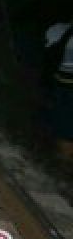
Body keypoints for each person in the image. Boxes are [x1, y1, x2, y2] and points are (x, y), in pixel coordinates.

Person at [44, 19, 73, 164]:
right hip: (65, 83)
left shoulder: (59, 29)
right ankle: (64, 156)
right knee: (66, 119)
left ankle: (64, 154)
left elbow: (49, 51)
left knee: (64, 117)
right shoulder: (61, 29)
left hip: (61, 80)